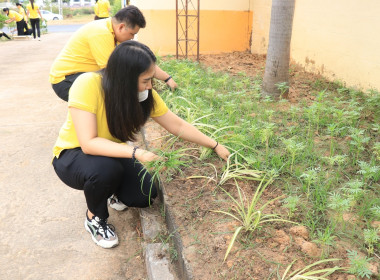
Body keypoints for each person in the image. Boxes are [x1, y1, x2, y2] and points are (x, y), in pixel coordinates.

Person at [51, 40, 230, 248]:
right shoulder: (88, 84)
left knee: (145, 194)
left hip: (112, 153)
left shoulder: (142, 95)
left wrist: (214, 145)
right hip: (73, 155)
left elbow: (176, 124)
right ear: (125, 78)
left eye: (151, 79)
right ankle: (95, 217)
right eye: (145, 80)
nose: (150, 86)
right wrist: (137, 152)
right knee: (105, 170)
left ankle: (109, 190)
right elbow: (89, 144)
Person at [49, 5, 178, 102]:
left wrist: (167, 78)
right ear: (121, 27)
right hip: (66, 81)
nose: (132, 38)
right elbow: (113, 73)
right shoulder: (101, 33)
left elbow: (140, 63)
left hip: (79, 76)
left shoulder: (112, 32)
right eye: (132, 34)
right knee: (115, 88)